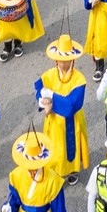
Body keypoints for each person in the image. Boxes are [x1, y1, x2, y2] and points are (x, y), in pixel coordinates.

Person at [34, 33, 88, 186]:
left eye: (66, 61)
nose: (63, 64)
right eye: (60, 60)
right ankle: (55, 172)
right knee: (55, 148)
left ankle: (71, 170)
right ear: (56, 60)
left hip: (72, 120)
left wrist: (51, 95)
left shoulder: (79, 80)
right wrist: (42, 101)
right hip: (53, 120)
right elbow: (39, 90)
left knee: (71, 146)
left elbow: (71, 105)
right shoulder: (49, 75)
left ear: (73, 60)